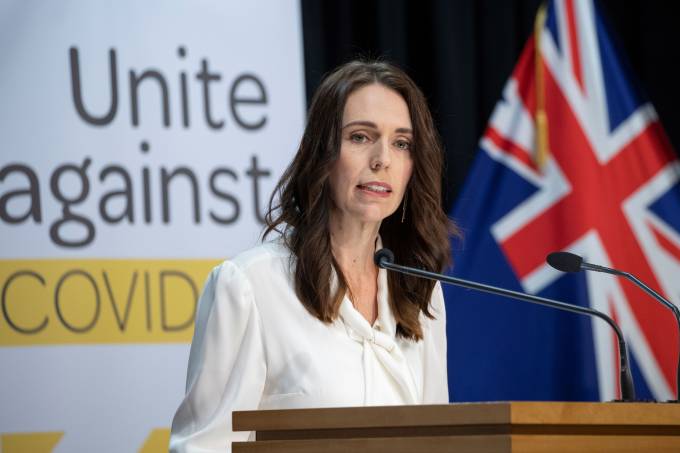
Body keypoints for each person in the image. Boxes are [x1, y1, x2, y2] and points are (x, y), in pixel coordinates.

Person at [169, 59, 455, 452]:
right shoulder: (250, 286)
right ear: (322, 152)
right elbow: (202, 447)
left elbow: (437, 441)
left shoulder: (421, 291)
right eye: (360, 137)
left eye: (401, 143)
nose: (382, 159)